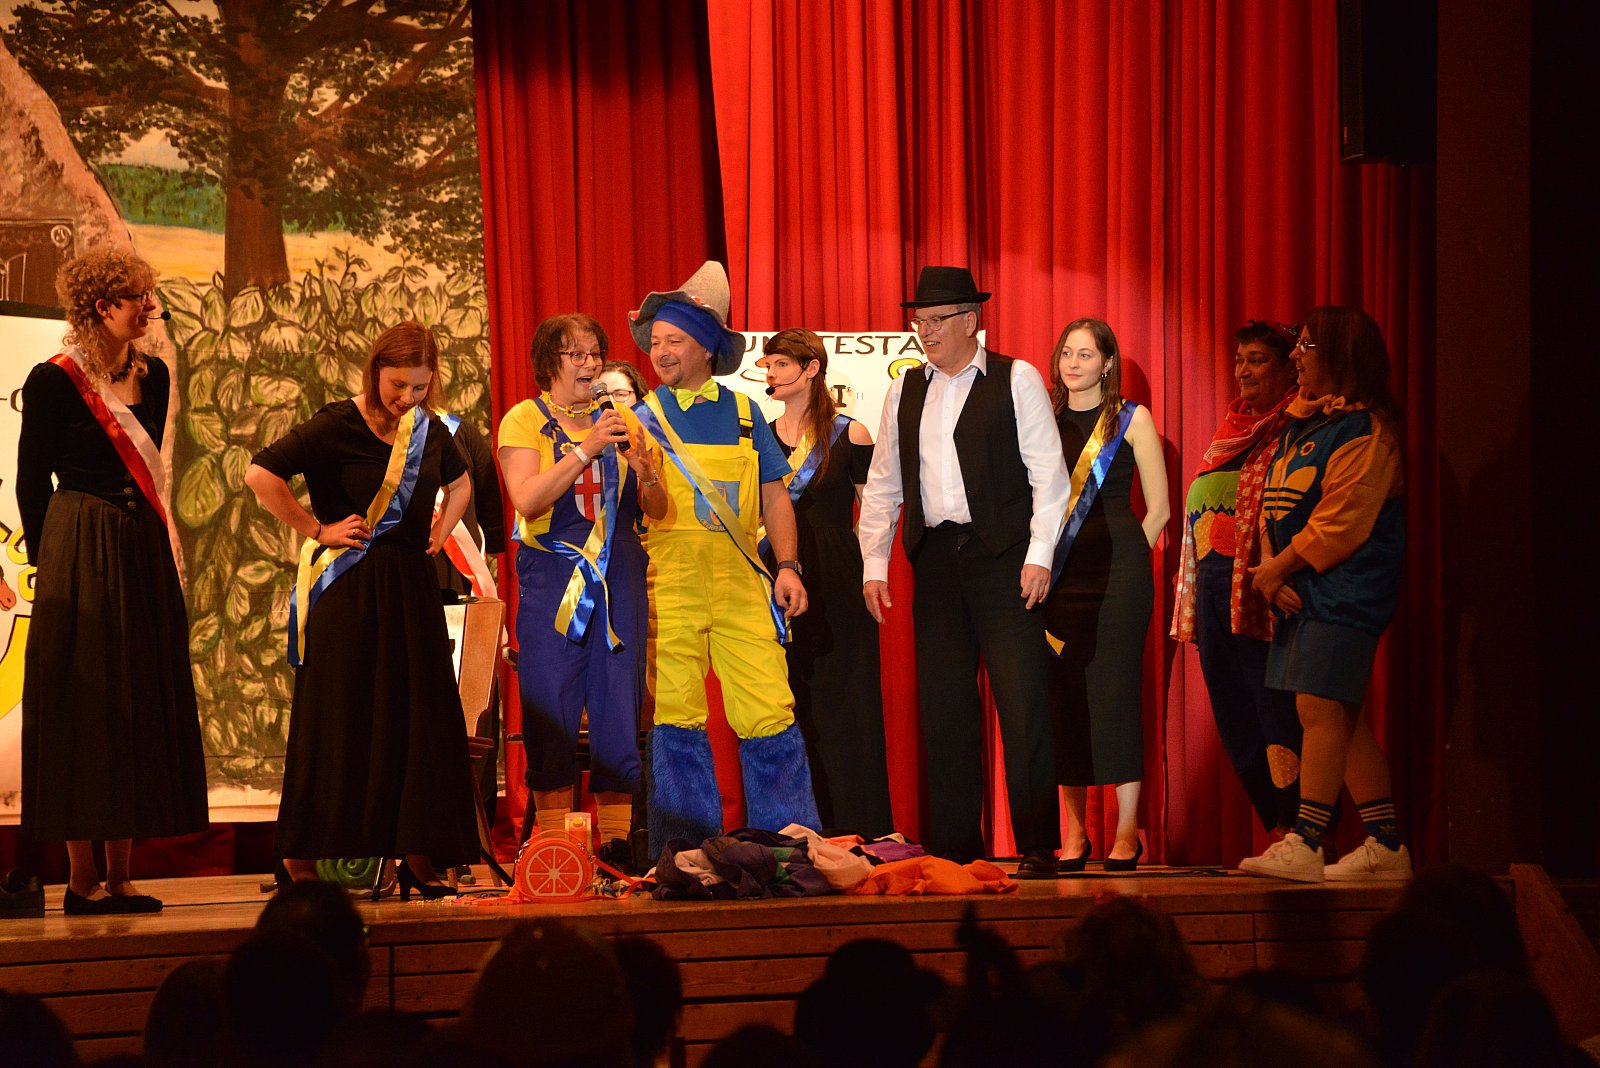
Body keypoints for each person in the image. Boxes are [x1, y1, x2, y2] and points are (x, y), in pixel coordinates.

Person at [244, 320, 480, 898]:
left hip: (410, 588)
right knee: (337, 718)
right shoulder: (335, 423)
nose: (407, 398)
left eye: (420, 387)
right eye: (398, 385)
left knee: (417, 720)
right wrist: (316, 528)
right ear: (376, 371)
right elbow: (260, 474)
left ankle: (417, 857)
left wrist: (442, 530)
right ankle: (300, 862)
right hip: (347, 590)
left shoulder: (427, 429)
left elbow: (462, 483)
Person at [858, 266, 1070, 877]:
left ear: (970, 321)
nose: (925, 332)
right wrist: (875, 562)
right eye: (919, 322)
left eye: (936, 320)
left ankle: (1036, 845)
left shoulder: (1015, 378)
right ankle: (955, 848)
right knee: (945, 707)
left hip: (1004, 560)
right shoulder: (905, 390)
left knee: (1022, 701)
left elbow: (1049, 477)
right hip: (936, 561)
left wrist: (1039, 555)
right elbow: (884, 483)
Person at [15, 246, 208, 915]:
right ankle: (81, 880)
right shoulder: (53, 380)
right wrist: (52, 562)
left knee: (135, 701)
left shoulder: (154, 375)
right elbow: (30, 481)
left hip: (139, 545)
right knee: (86, 706)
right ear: (102, 307)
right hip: (80, 539)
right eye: (139, 300)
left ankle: (121, 877)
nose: (150, 309)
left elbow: (146, 471)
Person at [627, 260, 820, 854]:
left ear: (706, 347)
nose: (661, 352)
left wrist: (787, 566)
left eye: (674, 341)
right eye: (656, 341)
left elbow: (775, 496)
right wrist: (646, 475)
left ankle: (788, 850)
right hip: (670, 584)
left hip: (741, 582)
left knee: (769, 709)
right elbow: (651, 509)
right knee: (677, 716)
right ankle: (684, 854)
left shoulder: (744, 413)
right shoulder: (642, 417)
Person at [1239, 307, 1409, 882]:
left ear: (1341, 354)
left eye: (1307, 346)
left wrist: (1276, 570)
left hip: (1344, 590)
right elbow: (1274, 500)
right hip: (1300, 585)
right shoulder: (1302, 424)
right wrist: (1273, 568)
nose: (1296, 356)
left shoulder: (1367, 431)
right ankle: (1385, 845)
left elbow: (1342, 522)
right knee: (1340, 713)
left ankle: (1307, 840)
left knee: (1318, 708)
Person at [497, 313, 663, 866]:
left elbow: (656, 510)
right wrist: (587, 448)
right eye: (577, 354)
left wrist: (647, 471)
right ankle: (557, 850)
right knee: (552, 704)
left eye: (595, 353)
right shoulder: (525, 419)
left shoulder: (625, 420)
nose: (590, 364)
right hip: (555, 577)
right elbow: (527, 499)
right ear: (551, 362)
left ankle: (616, 847)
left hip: (621, 576)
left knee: (619, 705)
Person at [757, 328, 894, 837]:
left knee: (847, 701)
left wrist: (871, 569)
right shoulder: (760, 436)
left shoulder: (850, 433)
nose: (771, 373)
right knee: (789, 699)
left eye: (781, 364)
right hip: (777, 572)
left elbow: (875, 509)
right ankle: (795, 825)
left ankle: (860, 826)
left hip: (838, 576)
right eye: (768, 365)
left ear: (811, 368)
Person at [1045, 317, 1169, 872]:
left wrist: (1129, 561)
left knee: (1117, 697)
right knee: (1063, 701)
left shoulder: (1131, 418)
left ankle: (1125, 832)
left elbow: (1160, 509)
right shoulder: (1043, 418)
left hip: (1119, 577)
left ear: (1108, 363)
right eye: (1067, 353)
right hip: (1056, 578)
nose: (1073, 363)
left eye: (1086, 354)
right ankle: (1074, 834)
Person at [1172, 321, 1302, 835]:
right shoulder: (1231, 431)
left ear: (1289, 368)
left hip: (1261, 591)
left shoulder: (1296, 428)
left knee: (1275, 711)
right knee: (1234, 712)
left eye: (1258, 360)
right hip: (1213, 591)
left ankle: (1304, 830)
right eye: (1240, 360)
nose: (1243, 371)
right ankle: (1279, 829)